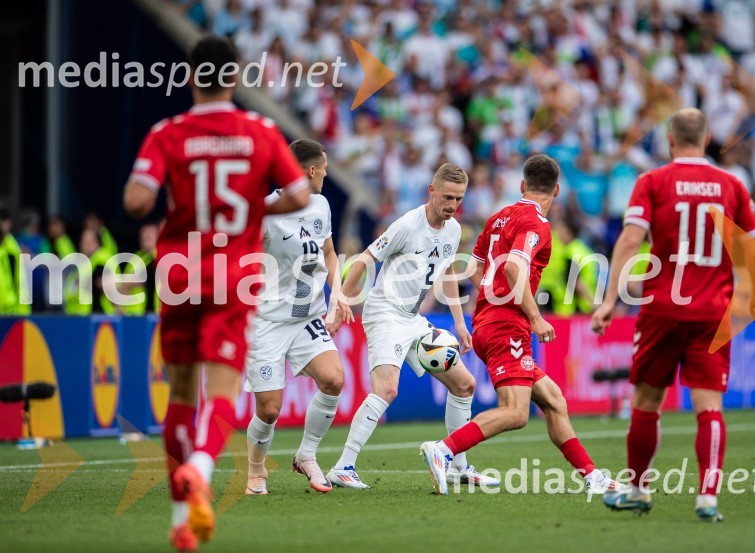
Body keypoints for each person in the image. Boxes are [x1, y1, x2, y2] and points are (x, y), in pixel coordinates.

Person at [122, 36, 310, 552]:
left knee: (181, 395)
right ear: (235, 79)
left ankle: (183, 521)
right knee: (223, 395)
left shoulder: (168, 132)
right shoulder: (259, 131)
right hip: (231, 276)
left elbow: (137, 200)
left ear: (189, 79)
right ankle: (201, 470)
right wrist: (253, 208)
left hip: (179, 273)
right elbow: (298, 194)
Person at [591, 108, 755, 522]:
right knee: (709, 406)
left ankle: (637, 489)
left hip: (664, 309)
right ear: (707, 140)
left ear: (671, 140)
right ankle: (708, 499)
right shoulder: (733, 185)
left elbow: (631, 240)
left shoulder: (652, 181)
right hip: (713, 312)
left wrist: (610, 300)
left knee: (647, 403)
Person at [419, 155, 621, 496]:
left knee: (554, 400)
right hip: (506, 326)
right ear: (557, 190)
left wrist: (471, 314)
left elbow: (474, 269)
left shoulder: (498, 218)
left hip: (487, 322)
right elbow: (513, 269)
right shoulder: (537, 224)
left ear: (522, 185)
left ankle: (592, 476)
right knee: (515, 412)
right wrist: (535, 316)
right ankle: (443, 449)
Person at [327, 163, 498, 489]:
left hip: (412, 318)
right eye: (447, 196)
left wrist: (460, 323)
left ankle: (458, 467)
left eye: (459, 199)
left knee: (465, 385)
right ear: (431, 191)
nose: (452, 205)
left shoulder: (453, 230)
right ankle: (343, 465)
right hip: (385, 313)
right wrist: (342, 303)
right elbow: (363, 260)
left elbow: (447, 273)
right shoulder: (407, 226)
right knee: (387, 389)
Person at [243, 139, 352, 495]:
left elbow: (330, 253)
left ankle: (306, 455)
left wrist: (337, 294)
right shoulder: (268, 211)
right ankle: (256, 472)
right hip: (268, 322)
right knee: (270, 409)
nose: (326, 173)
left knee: (334, 379)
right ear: (310, 170)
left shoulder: (320, 204)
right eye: (323, 168)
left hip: (307, 318)